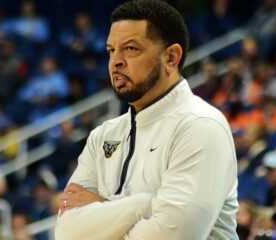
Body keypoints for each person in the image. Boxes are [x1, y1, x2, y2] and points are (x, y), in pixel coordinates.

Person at [55, 1, 238, 239]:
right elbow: (66, 232)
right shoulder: (103, 135)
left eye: (130, 49)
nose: (116, 61)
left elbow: (173, 237)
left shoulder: (201, 126)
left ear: (171, 58)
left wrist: (102, 208)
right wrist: (143, 205)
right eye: (111, 50)